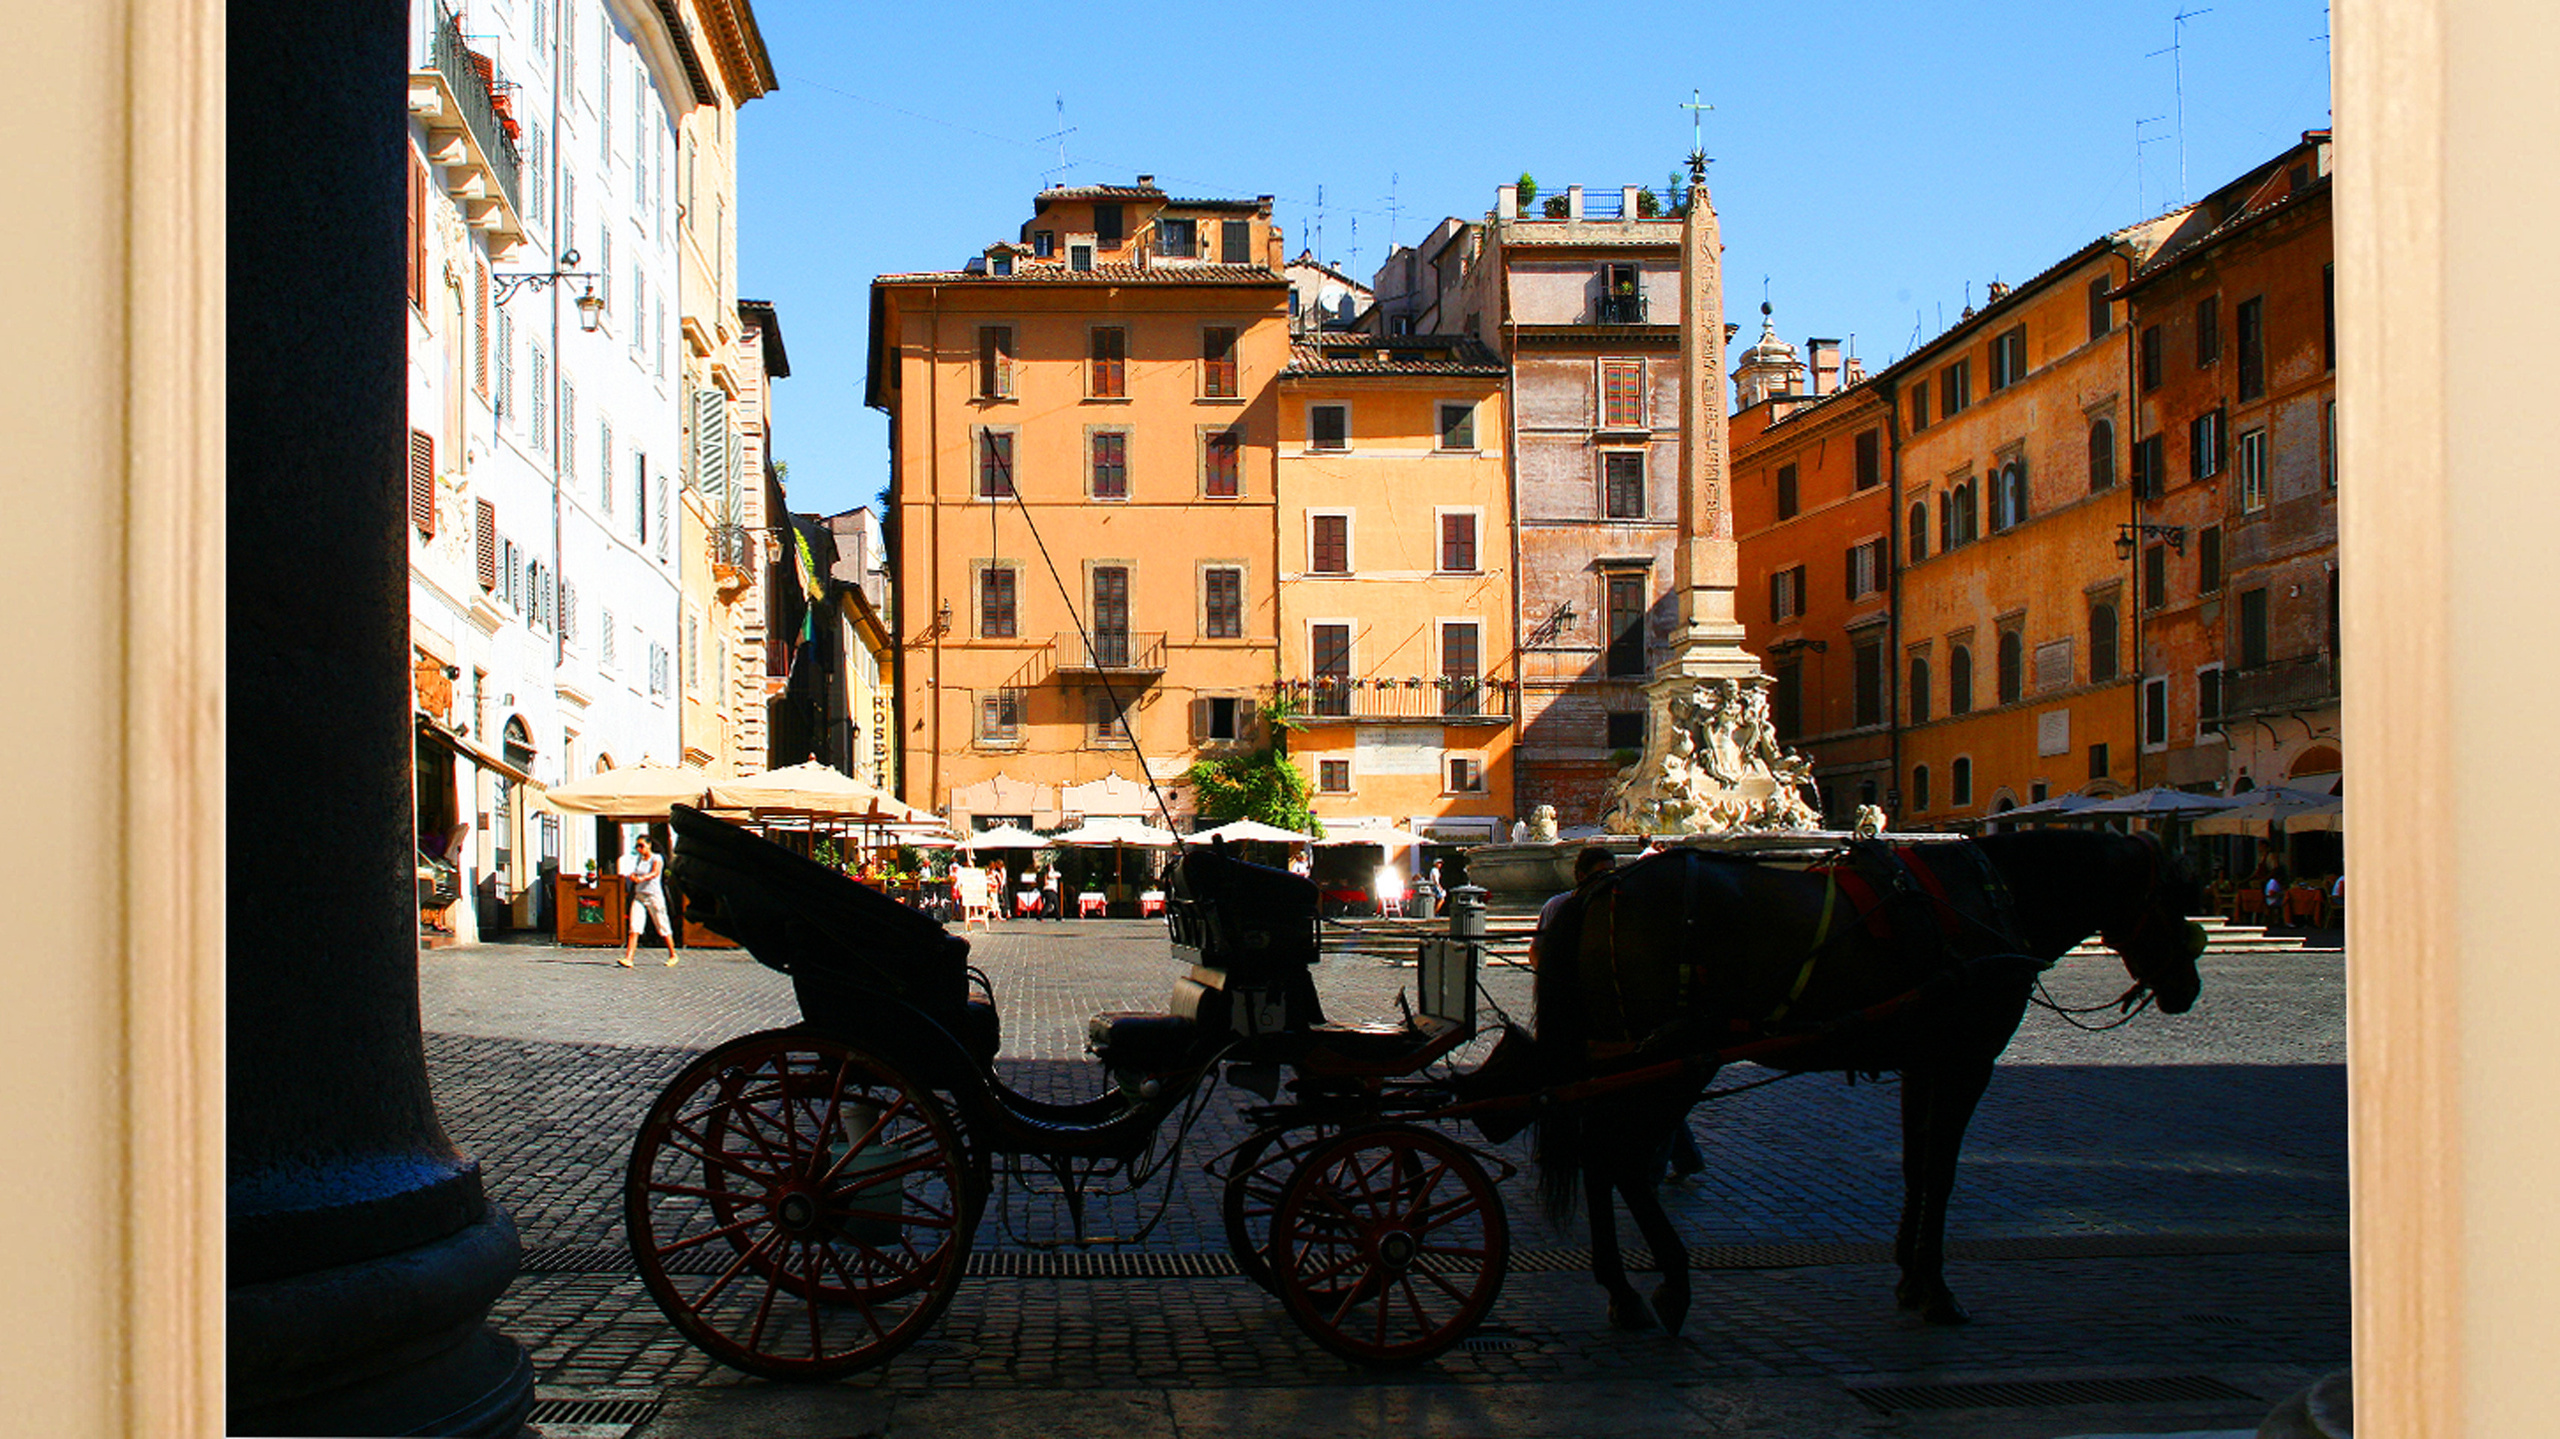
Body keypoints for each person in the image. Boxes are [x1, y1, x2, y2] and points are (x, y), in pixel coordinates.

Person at [620, 834, 679, 968]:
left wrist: (643, 878)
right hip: (640, 895)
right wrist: (634, 877)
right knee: (634, 926)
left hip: (653, 896)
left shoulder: (656, 858)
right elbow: (635, 872)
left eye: (642, 845)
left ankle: (673, 954)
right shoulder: (640, 859)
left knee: (661, 925)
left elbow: (655, 872)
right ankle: (629, 958)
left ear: (649, 845)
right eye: (637, 846)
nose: (639, 849)